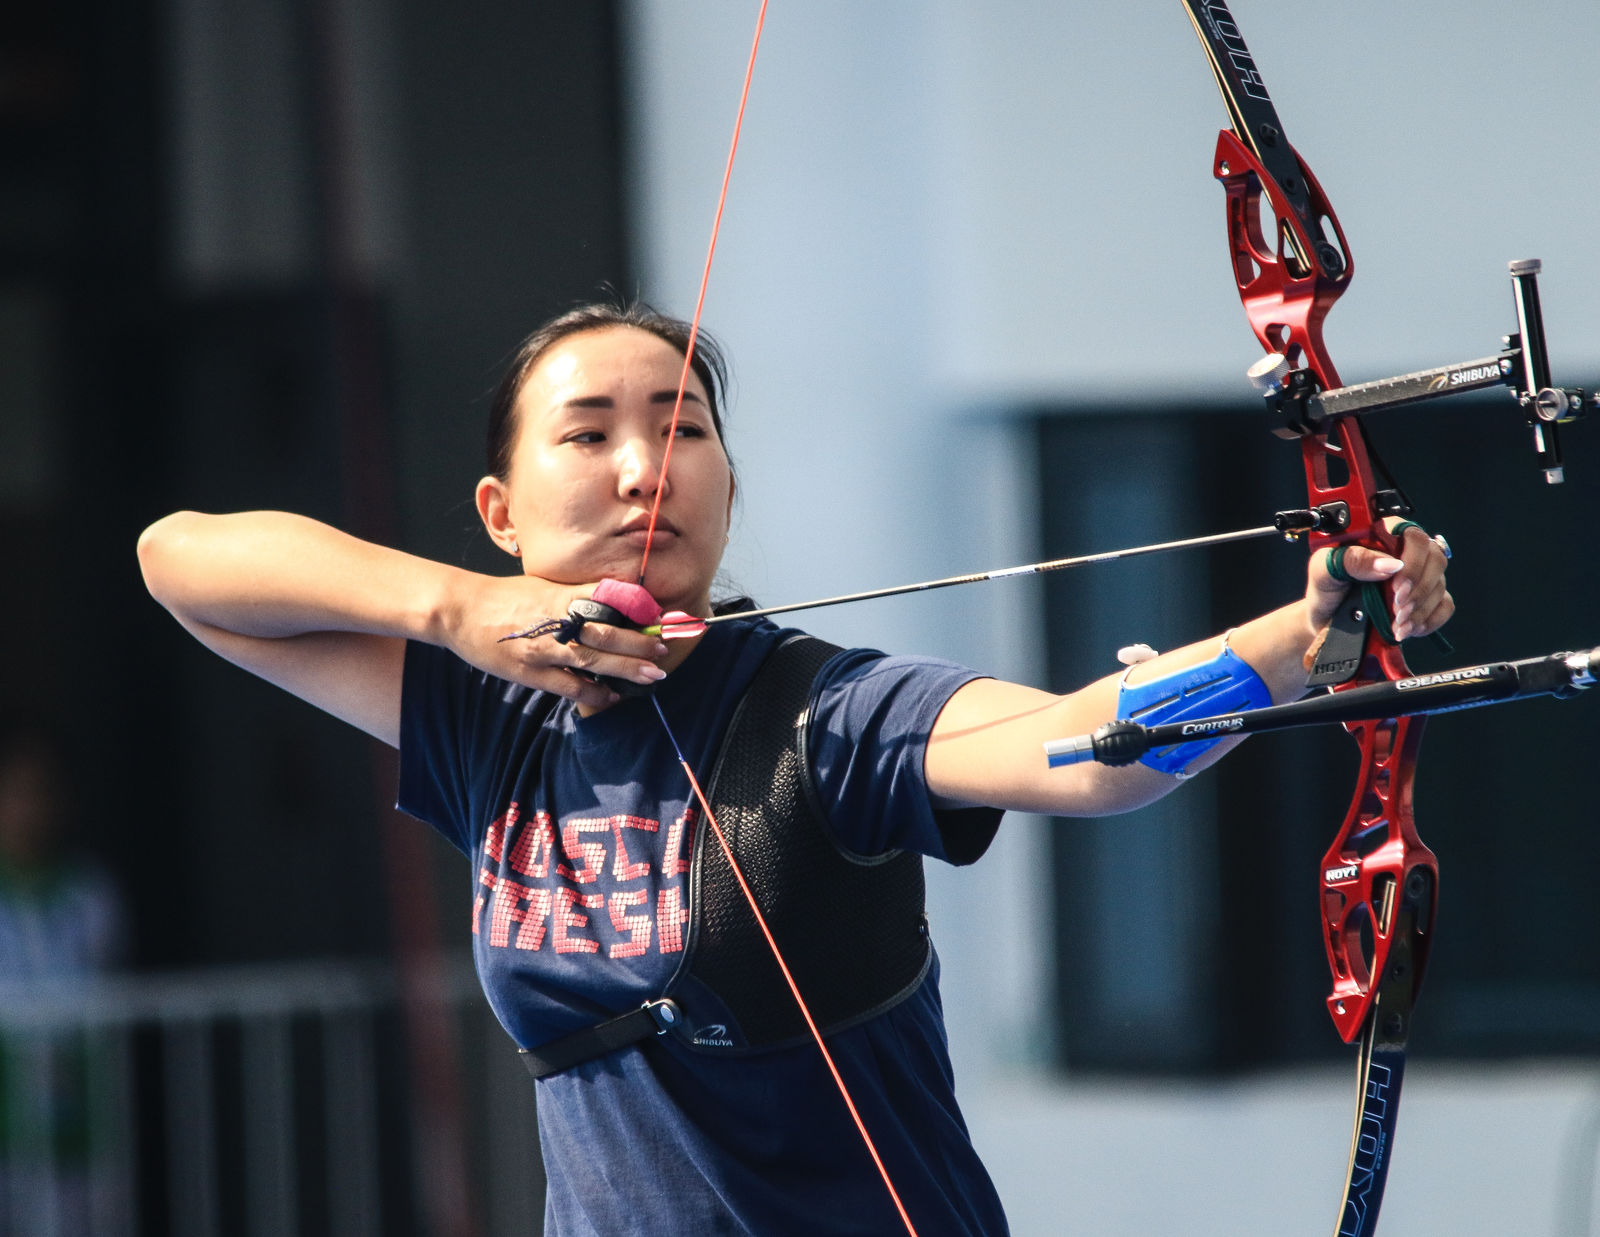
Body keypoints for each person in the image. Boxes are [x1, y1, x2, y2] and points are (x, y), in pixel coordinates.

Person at [136, 301, 1452, 1236]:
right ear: (502, 511)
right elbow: (184, 563)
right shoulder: (487, 710)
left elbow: (1090, 752)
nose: (645, 466)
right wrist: (458, 611)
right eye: (588, 433)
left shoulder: (826, 709)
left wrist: (1304, 632)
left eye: (684, 427)